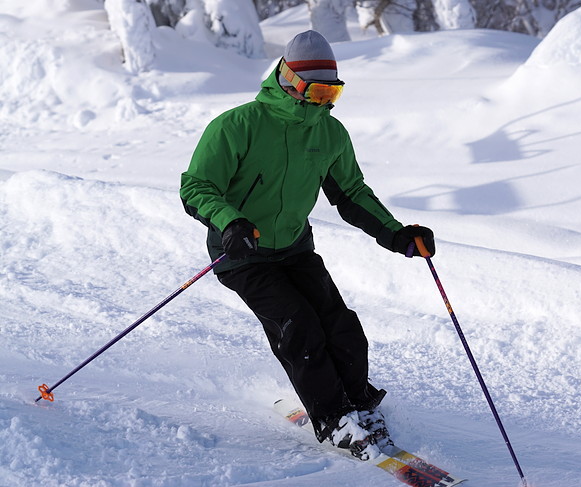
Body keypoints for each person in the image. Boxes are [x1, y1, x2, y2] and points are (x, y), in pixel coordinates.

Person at [180, 30, 435, 460]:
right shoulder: (238, 125)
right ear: (290, 81)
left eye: (333, 91)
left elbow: (352, 193)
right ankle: (334, 420)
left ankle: (359, 406)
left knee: (341, 325)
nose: (324, 100)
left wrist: (396, 234)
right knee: (298, 325)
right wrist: (230, 222)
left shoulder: (330, 134)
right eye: (317, 90)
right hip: (243, 255)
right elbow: (197, 186)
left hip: (295, 249)